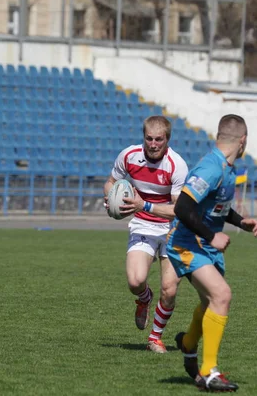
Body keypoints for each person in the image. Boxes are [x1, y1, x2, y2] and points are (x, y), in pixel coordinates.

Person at [167, 114, 257, 392]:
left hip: (206, 247)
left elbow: (215, 207)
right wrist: (211, 235)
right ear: (242, 140)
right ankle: (209, 371)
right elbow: (182, 207)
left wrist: (241, 222)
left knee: (210, 302)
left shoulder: (226, 168)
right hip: (186, 244)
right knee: (222, 295)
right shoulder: (210, 168)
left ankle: (187, 344)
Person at [103, 115, 189, 353]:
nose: (153, 144)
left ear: (167, 140)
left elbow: (178, 210)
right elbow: (111, 182)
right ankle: (144, 298)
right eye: (149, 138)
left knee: (170, 288)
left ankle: (155, 337)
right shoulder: (129, 156)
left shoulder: (176, 165)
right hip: (143, 225)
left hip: (173, 228)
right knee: (135, 281)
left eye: (158, 139)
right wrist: (111, 200)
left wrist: (146, 206)